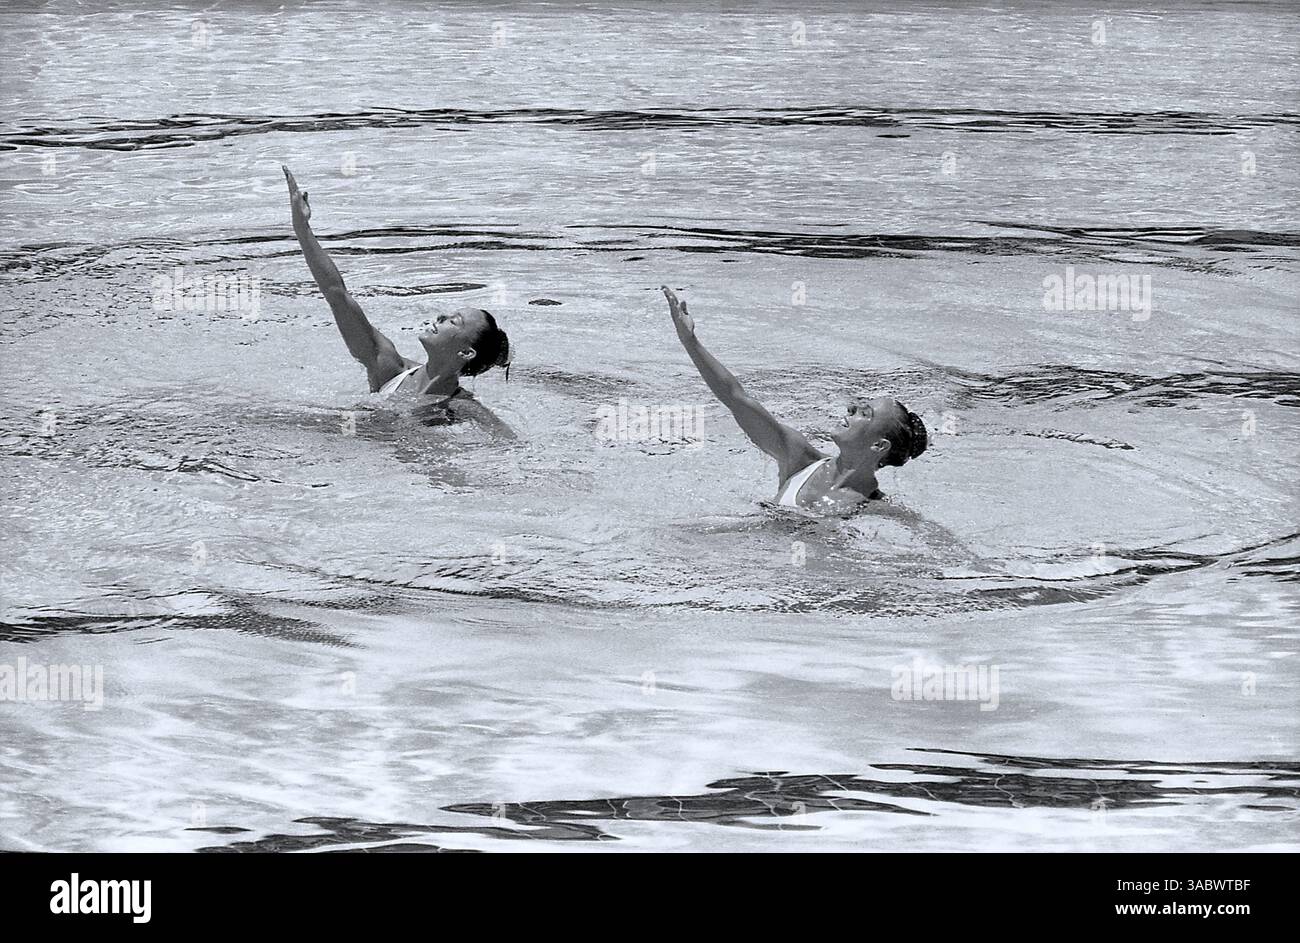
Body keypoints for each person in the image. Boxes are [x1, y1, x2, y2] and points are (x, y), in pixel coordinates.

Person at [283, 166, 513, 434]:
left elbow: (512, 445)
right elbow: (337, 294)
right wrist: (302, 229)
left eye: (454, 321)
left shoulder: (462, 407)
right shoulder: (388, 367)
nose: (440, 317)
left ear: (465, 353)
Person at [662, 286, 927, 512]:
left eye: (864, 413)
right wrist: (690, 342)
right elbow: (736, 397)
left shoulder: (876, 508)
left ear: (879, 446)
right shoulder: (799, 458)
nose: (851, 408)